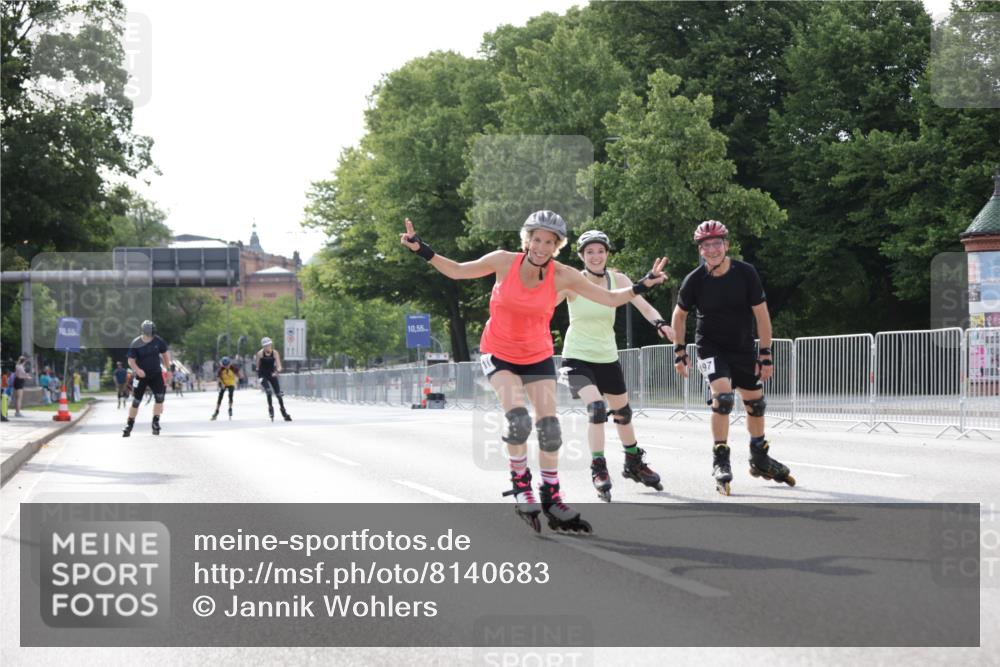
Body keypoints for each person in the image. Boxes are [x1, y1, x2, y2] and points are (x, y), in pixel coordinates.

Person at [401, 212, 668, 532]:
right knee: (518, 419)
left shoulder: (564, 275)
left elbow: (610, 297)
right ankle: (521, 483)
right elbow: (458, 271)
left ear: (557, 246)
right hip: (499, 353)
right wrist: (422, 249)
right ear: (527, 239)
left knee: (550, 428)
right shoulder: (503, 262)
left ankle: (552, 496)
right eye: (537, 239)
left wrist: (643, 284)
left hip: (538, 355)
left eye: (550, 242)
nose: (542, 247)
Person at [671, 220, 795, 495]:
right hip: (709, 346)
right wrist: (679, 351)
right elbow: (679, 316)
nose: (712, 249)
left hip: (741, 346)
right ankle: (721, 460)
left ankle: (759, 455)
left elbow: (762, 316)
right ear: (701, 251)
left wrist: (765, 354)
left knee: (756, 403)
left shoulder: (745, 273)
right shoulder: (695, 280)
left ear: (726, 245)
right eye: (706, 245)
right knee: (723, 397)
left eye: (717, 243)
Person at [558, 230, 676, 502]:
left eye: (600, 251)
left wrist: (660, 323)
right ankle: (598, 466)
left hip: (607, 356)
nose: (595, 256)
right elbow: (543, 305)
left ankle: (633, 462)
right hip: (575, 357)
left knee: (623, 413)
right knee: (597, 408)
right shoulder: (572, 282)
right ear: (581, 256)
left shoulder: (617, 279)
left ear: (607, 253)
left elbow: (643, 305)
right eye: (589, 252)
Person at [123, 320, 171, 437]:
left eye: (153, 333)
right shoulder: (136, 343)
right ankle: (129, 424)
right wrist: (137, 370)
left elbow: (165, 354)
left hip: (156, 374)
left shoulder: (158, 341)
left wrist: (168, 370)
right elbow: (131, 360)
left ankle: (155, 422)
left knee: (160, 398)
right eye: (149, 333)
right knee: (136, 401)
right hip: (141, 376)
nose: (151, 336)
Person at [254, 337, 291, 421]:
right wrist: (259, 379)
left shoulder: (275, 353)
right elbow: (257, 367)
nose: (267, 347)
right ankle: (270, 408)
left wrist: (277, 372)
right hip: (262, 375)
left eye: (268, 345)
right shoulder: (260, 354)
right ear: (263, 347)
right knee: (268, 391)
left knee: (278, 394)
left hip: (272, 374)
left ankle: (284, 412)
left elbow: (279, 366)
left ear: (271, 345)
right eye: (265, 346)